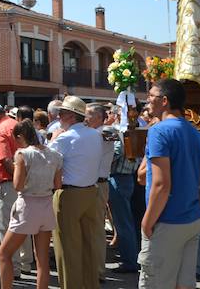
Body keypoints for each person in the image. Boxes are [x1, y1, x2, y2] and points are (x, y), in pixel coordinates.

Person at [137, 79, 200, 289]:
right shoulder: (195, 134)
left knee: (155, 282)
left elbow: (162, 185)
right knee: (183, 284)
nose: (147, 101)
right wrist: (196, 208)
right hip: (191, 220)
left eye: (151, 96)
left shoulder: (159, 131)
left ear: (164, 101)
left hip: (166, 221)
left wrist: (147, 221)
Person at [0, 120, 62, 289]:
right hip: (47, 205)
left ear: (20, 137)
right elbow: (58, 185)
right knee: (42, 260)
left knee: (3, 254)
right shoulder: (55, 155)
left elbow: (17, 185)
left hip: (27, 206)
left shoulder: (22, 154)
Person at [48, 95, 103, 289]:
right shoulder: (95, 134)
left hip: (70, 194)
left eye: (61, 113)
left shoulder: (65, 137)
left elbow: (47, 160)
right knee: (89, 246)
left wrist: (53, 138)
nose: (58, 116)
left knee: (68, 248)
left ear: (71, 116)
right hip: (90, 192)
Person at [0, 102, 33, 280]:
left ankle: (12, 268)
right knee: (23, 223)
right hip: (21, 182)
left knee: (8, 226)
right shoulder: (14, 124)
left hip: (9, 183)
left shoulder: (1, 129)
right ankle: (25, 262)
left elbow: (5, 159)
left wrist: (17, 179)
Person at [107, 106, 140, 274]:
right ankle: (130, 257)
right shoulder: (136, 131)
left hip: (119, 177)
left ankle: (129, 261)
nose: (113, 116)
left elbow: (116, 153)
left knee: (123, 223)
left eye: (116, 113)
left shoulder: (124, 132)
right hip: (126, 177)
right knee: (125, 221)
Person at [86, 102, 115, 282]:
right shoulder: (98, 133)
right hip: (91, 184)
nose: (85, 118)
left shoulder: (105, 132)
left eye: (88, 115)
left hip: (97, 184)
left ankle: (97, 271)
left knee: (96, 229)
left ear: (98, 117)